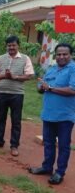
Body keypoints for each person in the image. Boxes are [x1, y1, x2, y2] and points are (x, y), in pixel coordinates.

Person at [28, 43, 75, 185]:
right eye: (59, 54)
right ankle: (47, 167)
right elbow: (41, 86)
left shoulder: (73, 69)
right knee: (48, 143)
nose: (61, 57)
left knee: (63, 145)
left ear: (70, 55)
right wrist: (42, 88)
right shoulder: (51, 69)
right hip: (48, 114)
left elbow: (73, 90)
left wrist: (51, 88)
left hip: (65, 116)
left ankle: (60, 172)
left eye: (65, 54)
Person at [0, 35, 34, 156]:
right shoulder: (1, 58)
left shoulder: (25, 58)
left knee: (16, 121)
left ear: (18, 45)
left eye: (13, 45)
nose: (11, 47)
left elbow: (29, 76)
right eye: (9, 45)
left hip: (17, 95)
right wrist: (5, 76)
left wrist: (15, 77)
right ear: (6, 46)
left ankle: (14, 146)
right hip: (2, 93)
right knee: (0, 119)